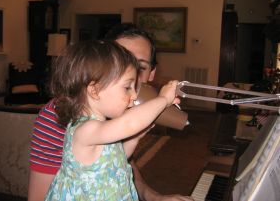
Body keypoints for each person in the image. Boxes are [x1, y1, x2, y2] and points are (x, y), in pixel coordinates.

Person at [28, 23, 193, 201]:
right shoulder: (83, 127)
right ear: (95, 88)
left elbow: (116, 158)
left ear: (151, 73)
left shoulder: (111, 114)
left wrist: (135, 138)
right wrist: (163, 100)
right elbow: (129, 123)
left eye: (140, 68)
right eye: (126, 86)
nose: (133, 92)